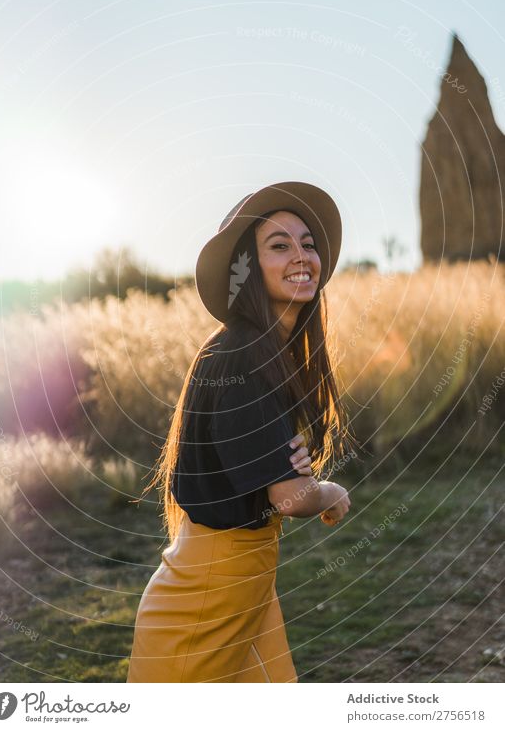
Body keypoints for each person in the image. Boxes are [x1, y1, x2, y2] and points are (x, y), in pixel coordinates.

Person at [126, 180, 353, 683]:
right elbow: (292, 497)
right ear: (247, 270)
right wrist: (329, 490)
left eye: (307, 243)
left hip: (247, 595)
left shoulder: (267, 355)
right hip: (200, 612)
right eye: (279, 245)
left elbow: (275, 484)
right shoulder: (243, 359)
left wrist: (291, 472)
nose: (301, 255)